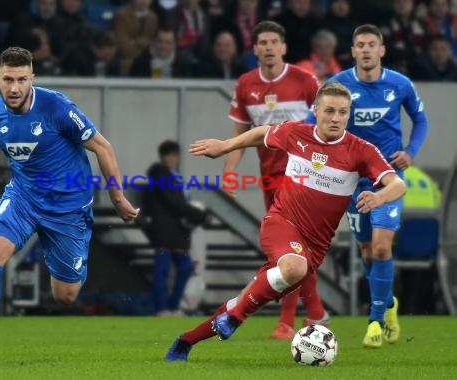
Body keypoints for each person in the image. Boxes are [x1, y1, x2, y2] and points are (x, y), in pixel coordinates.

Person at [0, 47, 140, 361]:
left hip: (67, 206)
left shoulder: (56, 108)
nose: (14, 88)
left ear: (32, 78)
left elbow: (103, 147)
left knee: (66, 295)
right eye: (7, 80)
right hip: (23, 198)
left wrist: (118, 199)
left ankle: (69, 256)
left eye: (21, 79)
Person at [165, 81, 407, 361]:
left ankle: (185, 342)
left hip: (314, 248)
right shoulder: (296, 133)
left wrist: (380, 197)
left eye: (343, 112)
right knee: (292, 268)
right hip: (282, 223)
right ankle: (234, 318)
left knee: (249, 296)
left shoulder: (360, 150)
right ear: (315, 111)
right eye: (329, 111)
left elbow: (397, 184)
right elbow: (261, 133)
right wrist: (225, 146)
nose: (336, 118)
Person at [306, 24, 429, 348]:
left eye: (371, 44)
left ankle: (374, 322)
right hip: (350, 179)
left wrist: (411, 152)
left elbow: (421, 120)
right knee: (365, 250)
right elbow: (311, 123)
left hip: (387, 177)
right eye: (360, 44)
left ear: (382, 49)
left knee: (381, 247)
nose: (366, 50)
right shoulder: (339, 85)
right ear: (353, 49)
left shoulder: (400, 84)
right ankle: (388, 304)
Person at [225, 20, 327, 340]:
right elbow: (240, 135)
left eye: (274, 42)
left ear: (284, 47)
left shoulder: (305, 81)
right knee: (290, 251)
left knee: (290, 249)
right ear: (254, 48)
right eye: (263, 42)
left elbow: (328, 123)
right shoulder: (245, 85)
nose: (268, 47)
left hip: (303, 176)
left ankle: (287, 321)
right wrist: (230, 172)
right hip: (269, 175)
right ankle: (316, 313)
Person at [144, 141, 209, 316]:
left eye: (175, 155)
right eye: (169, 155)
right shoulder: (160, 174)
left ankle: (173, 307)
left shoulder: (173, 175)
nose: (172, 158)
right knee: (162, 271)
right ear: (163, 157)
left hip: (177, 232)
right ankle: (162, 308)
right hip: (165, 232)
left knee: (185, 268)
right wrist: (199, 215)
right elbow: (176, 203)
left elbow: (178, 203)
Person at [113, 0, 159, 74]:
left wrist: (136, 42)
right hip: (126, 59)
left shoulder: (153, 17)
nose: (144, 1)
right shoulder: (121, 15)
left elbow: (153, 44)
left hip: (147, 61)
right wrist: (143, 44)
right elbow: (123, 45)